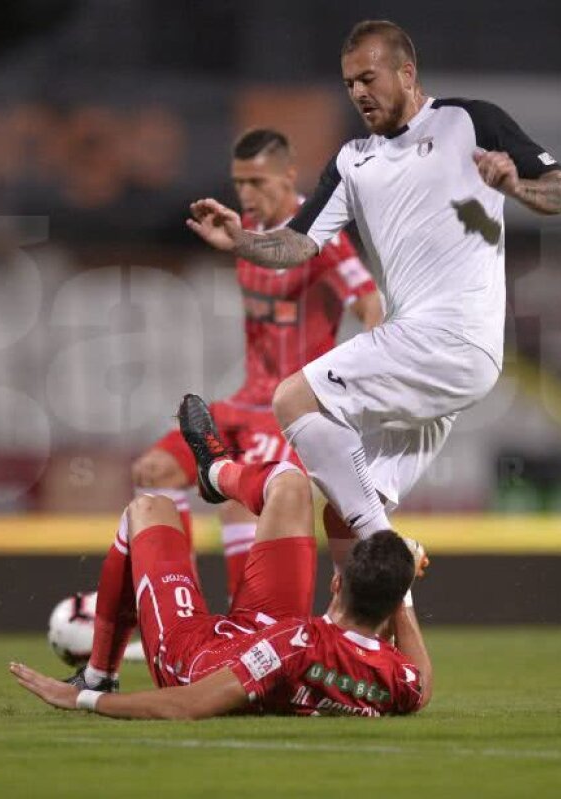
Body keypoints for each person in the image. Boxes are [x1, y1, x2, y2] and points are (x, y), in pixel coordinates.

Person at [186, 21, 561, 569]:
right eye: (349, 84)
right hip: (428, 353)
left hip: (451, 337)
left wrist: (516, 187)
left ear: (406, 72)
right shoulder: (353, 161)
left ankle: (389, 548)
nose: (358, 93)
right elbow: (298, 245)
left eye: (368, 78)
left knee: (292, 400)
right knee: (344, 515)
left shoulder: (471, 121)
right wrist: (240, 240)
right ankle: (376, 645)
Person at [9, 394, 431, 718]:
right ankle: (216, 472)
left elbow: (186, 705)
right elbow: (422, 682)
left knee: (148, 508)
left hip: (195, 656)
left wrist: (83, 698)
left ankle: (100, 673)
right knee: (290, 484)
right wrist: (400, 580)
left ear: (336, 583)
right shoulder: (397, 679)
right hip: (263, 628)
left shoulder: (296, 645)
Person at [134, 128, 382, 599]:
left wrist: (364, 379)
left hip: (289, 409)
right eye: (240, 182)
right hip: (246, 400)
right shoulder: (245, 231)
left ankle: (245, 631)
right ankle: (174, 608)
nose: (248, 194)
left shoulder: (318, 235)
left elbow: (371, 304)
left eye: (258, 182)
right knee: (154, 471)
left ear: (289, 174)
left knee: (239, 506)